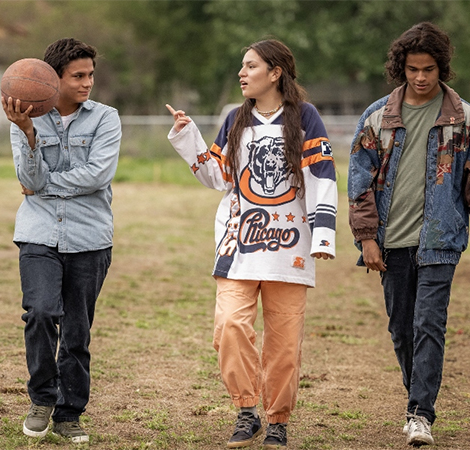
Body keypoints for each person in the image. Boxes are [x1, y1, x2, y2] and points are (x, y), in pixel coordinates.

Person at [166, 38, 337, 449]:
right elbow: (219, 177)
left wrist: (324, 233)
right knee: (229, 326)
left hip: (290, 246)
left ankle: (277, 420)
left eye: (250, 66)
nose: (242, 73)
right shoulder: (235, 119)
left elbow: (321, 175)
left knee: (283, 342)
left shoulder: (305, 117)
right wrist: (187, 135)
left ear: (275, 72)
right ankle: (247, 411)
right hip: (239, 244)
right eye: (242, 66)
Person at [347, 22, 470, 447]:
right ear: (401, 68)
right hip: (390, 241)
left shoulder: (464, 118)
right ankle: (415, 396)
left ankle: (420, 413)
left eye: (429, 69)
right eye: (413, 69)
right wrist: (367, 238)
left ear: (442, 68)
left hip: (441, 240)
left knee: (429, 324)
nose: (420, 77)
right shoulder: (377, 117)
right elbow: (359, 183)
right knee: (402, 329)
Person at [2, 38, 120, 444]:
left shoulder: (106, 119)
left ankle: (70, 415)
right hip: (37, 235)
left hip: (90, 238)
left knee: (77, 333)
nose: (88, 83)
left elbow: (97, 175)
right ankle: (41, 399)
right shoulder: (25, 118)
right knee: (39, 312)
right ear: (55, 78)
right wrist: (29, 134)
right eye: (79, 76)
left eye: (91, 75)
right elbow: (27, 181)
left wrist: (45, 185)